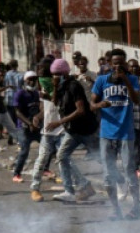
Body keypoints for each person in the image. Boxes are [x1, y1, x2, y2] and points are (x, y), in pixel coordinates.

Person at [91, 48, 140, 220]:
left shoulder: (133, 79)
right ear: (110, 64)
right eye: (114, 63)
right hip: (107, 133)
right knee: (108, 173)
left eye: (121, 63)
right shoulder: (101, 80)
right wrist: (100, 105)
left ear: (125, 63)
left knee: (129, 170)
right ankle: (115, 209)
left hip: (126, 132)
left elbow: (136, 100)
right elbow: (92, 104)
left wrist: (125, 79)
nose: (117, 66)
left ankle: (136, 208)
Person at [47, 58, 98, 202]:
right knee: (62, 156)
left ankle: (120, 183)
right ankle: (72, 189)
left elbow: (81, 110)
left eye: (57, 74)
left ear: (64, 74)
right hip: (73, 131)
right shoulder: (62, 87)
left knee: (103, 159)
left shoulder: (74, 86)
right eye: (53, 75)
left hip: (85, 129)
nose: (55, 77)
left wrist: (59, 122)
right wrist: (55, 87)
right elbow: (55, 103)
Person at [29, 60, 65, 202]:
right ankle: (35, 188)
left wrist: (54, 87)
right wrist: (38, 116)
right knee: (42, 159)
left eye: (42, 71)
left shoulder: (62, 85)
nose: (40, 75)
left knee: (64, 159)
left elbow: (57, 102)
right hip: (48, 130)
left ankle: (81, 186)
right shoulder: (43, 86)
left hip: (62, 129)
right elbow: (45, 107)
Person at [11, 71, 41, 183]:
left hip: (35, 126)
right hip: (23, 127)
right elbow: (17, 113)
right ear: (25, 80)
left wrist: (37, 122)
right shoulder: (20, 94)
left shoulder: (36, 94)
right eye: (30, 79)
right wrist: (29, 123)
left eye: (34, 79)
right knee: (24, 151)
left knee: (47, 147)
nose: (32, 82)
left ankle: (45, 169)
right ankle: (16, 174)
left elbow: (38, 109)